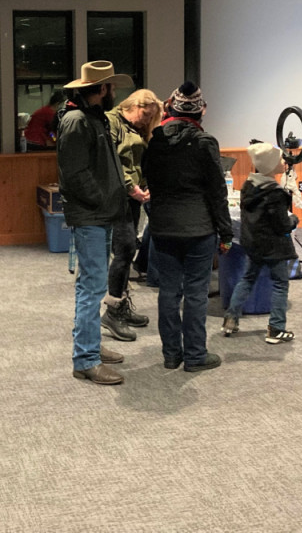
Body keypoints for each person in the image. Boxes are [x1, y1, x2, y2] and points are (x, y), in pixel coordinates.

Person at [144, 81, 234, 372]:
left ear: (170, 107)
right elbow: (217, 192)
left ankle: (171, 354)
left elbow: (150, 181)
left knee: (168, 291)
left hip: (163, 228)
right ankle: (195, 355)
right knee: (196, 293)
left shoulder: (155, 141)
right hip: (199, 229)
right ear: (201, 111)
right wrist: (226, 232)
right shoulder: (205, 142)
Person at [57, 61, 133, 386]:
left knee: (91, 285)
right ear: (102, 89)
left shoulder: (91, 117)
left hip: (99, 215)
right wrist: (102, 200)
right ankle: (86, 359)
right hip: (92, 215)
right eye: (111, 86)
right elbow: (75, 173)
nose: (114, 92)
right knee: (92, 288)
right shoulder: (77, 121)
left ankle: (90, 347)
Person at [221, 142, 299, 344]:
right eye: (280, 159)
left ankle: (231, 319)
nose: (284, 162)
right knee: (280, 284)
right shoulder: (275, 194)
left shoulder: (249, 185)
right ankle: (276, 328)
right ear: (271, 165)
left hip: (253, 243)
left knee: (247, 279)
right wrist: (293, 219)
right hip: (274, 247)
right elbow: (282, 225)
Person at [100, 89, 162, 341]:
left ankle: (121, 304)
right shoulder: (111, 121)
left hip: (134, 195)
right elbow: (112, 160)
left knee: (127, 250)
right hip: (118, 195)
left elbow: (141, 162)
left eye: (151, 117)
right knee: (124, 249)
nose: (146, 121)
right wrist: (130, 187)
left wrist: (145, 185)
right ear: (134, 105)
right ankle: (112, 312)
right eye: (145, 114)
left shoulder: (137, 128)